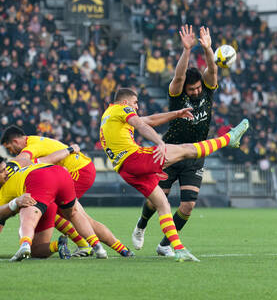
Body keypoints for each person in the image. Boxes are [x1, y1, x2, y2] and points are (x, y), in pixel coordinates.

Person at [100, 88, 249, 261]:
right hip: (134, 159)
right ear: (125, 102)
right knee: (188, 150)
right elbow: (142, 125)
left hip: (125, 170)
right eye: (135, 103)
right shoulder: (122, 109)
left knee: (163, 203)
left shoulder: (109, 114)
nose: (137, 107)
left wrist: (176, 113)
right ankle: (229, 138)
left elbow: (149, 120)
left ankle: (178, 249)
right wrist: (159, 142)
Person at [132, 24, 220, 256]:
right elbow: (180, 76)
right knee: (158, 198)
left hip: (195, 155)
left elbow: (212, 69)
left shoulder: (207, 90)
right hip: (170, 153)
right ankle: (141, 225)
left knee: (188, 205)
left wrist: (208, 49)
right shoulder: (177, 94)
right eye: (192, 89)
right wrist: (187, 50)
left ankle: (164, 244)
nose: (195, 92)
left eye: (198, 88)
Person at [0, 127, 134, 258]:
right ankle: (119, 248)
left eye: (9, 148)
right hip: (68, 171)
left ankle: (84, 245)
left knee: (67, 212)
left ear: (16, 141)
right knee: (71, 213)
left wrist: (13, 165)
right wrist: (69, 149)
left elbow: (26, 160)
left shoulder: (30, 148)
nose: (11, 152)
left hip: (76, 171)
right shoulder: (35, 142)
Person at [0, 157, 107, 262]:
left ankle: (25, 244)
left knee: (26, 210)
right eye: (2, 171)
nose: (6, 173)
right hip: (58, 177)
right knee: (72, 214)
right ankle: (97, 247)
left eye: (5, 169)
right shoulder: (16, 167)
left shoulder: (6, 185)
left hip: (41, 183)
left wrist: (14, 203)